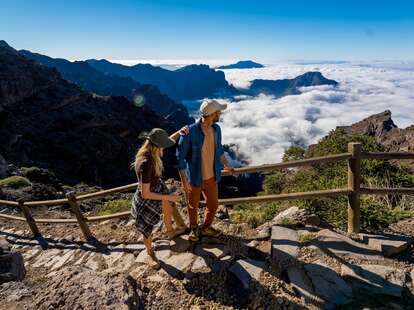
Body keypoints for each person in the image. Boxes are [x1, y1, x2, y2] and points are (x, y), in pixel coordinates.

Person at [177, 99, 234, 242]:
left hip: (212, 176)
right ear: (213, 114)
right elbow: (180, 158)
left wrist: (226, 165)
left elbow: (219, 149)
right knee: (192, 206)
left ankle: (206, 227)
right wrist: (184, 181)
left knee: (213, 205)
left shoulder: (216, 130)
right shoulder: (190, 132)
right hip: (195, 178)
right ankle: (194, 228)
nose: (220, 114)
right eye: (218, 112)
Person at [131, 127, 188, 269]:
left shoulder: (151, 153)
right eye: (163, 146)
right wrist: (167, 196)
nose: (165, 149)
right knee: (147, 228)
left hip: (157, 188)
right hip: (147, 197)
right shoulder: (146, 162)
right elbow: (145, 193)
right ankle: (150, 253)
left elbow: (167, 141)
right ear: (157, 146)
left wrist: (179, 132)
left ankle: (170, 232)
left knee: (168, 206)